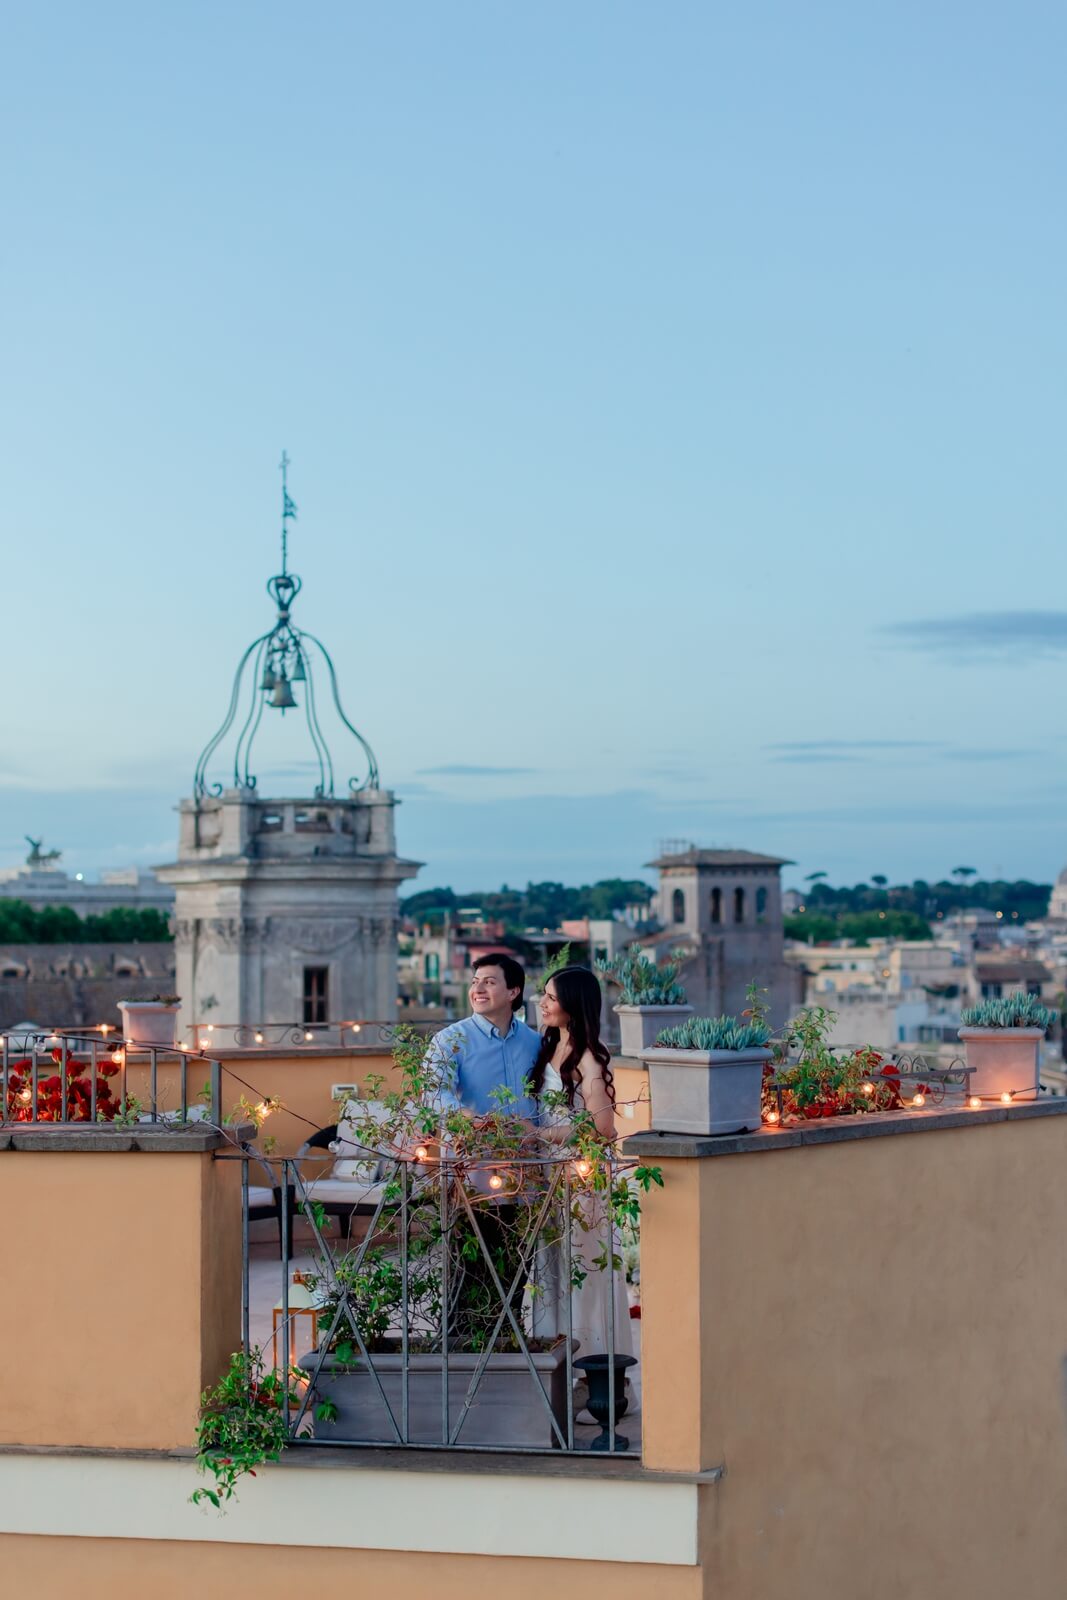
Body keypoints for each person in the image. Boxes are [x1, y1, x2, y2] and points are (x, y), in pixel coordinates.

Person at [529, 965, 635, 1364]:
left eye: (552, 997)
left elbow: (602, 1127)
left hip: (580, 1179)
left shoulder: (589, 1058)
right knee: (550, 1273)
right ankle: (556, 1367)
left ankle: (595, 1369)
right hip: (547, 1175)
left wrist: (540, 1134)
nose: (543, 1002)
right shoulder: (547, 1046)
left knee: (585, 1275)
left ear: (572, 1005)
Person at [428, 953, 540, 1119]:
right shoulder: (448, 1040)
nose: (477, 990)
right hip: (472, 1143)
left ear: (513, 992)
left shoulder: (535, 1041)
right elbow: (434, 1095)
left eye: (489, 982)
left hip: (529, 1144)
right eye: (474, 982)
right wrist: (475, 1121)